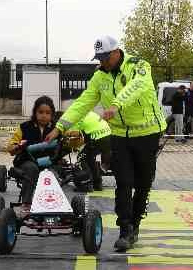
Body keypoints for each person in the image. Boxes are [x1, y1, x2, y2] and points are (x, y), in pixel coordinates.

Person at [46, 36, 166, 252]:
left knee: (143, 182)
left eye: (104, 58)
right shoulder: (99, 76)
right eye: (98, 58)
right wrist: (60, 127)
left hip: (147, 133)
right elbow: (83, 102)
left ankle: (136, 223)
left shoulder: (139, 65)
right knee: (123, 181)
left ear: (116, 52)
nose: (102, 62)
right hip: (119, 135)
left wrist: (116, 105)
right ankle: (125, 230)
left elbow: (137, 86)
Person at [7, 96, 57, 207]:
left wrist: (76, 136)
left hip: (49, 162)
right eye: (40, 112)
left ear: (52, 114)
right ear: (35, 112)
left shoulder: (57, 129)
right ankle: (26, 204)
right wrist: (16, 147)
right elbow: (11, 146)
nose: (44, 115)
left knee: (53, 173)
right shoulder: (25, 127)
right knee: (32, 169)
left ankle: (51, 205)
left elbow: (71, 143)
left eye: (48, 113)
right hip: (27, 161)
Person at [68, 111, 111, 191]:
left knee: (81, 157)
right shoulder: (87, 112)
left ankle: (86, 185)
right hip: (108, 135)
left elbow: (74, 136)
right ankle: (97, 184)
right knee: (89, 157)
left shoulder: (73, 118)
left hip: (97, 137)